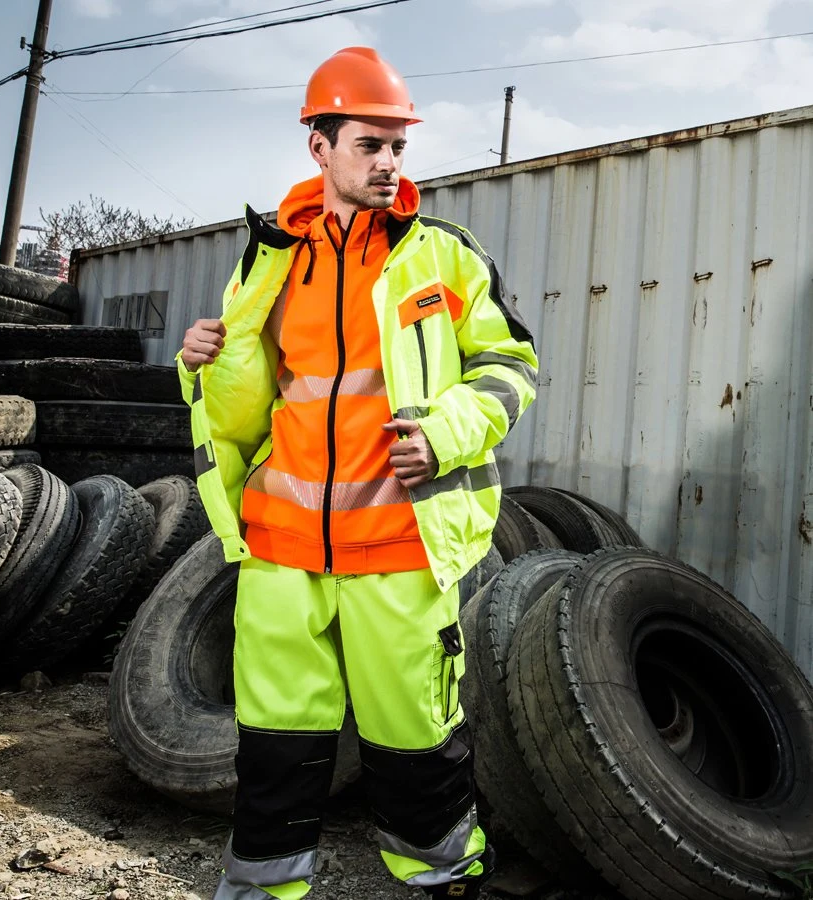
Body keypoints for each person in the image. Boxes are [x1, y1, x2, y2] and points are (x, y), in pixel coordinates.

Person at [179, 46, 539, 900]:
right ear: (320, 146)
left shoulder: (443, 258)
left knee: (417, 739)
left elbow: (509, 367)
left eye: (398, 148)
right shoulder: (266, 258)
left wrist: (446, 432)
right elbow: (241, 413)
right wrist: (202, 361)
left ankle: (444, 879)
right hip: (281, 549)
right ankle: (263, 888)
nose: (388, 163)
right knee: (272, 746)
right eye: (370, 145)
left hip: (399, 545)